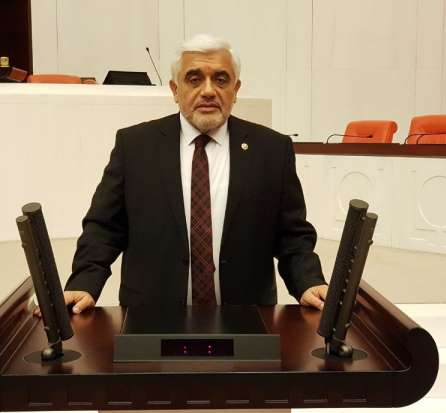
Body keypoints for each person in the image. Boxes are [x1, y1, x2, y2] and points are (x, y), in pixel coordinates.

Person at [60, 34, 328, 314]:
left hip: (247, 319)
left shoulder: (272, 149)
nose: (209, 91)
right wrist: (84, 282)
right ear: (175, 90)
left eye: (221, 79)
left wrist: (308, 281)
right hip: (150, 318)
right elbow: (104, 227)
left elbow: (291, 235)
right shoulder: (135, 146)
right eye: (194, 79)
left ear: (236, 90)